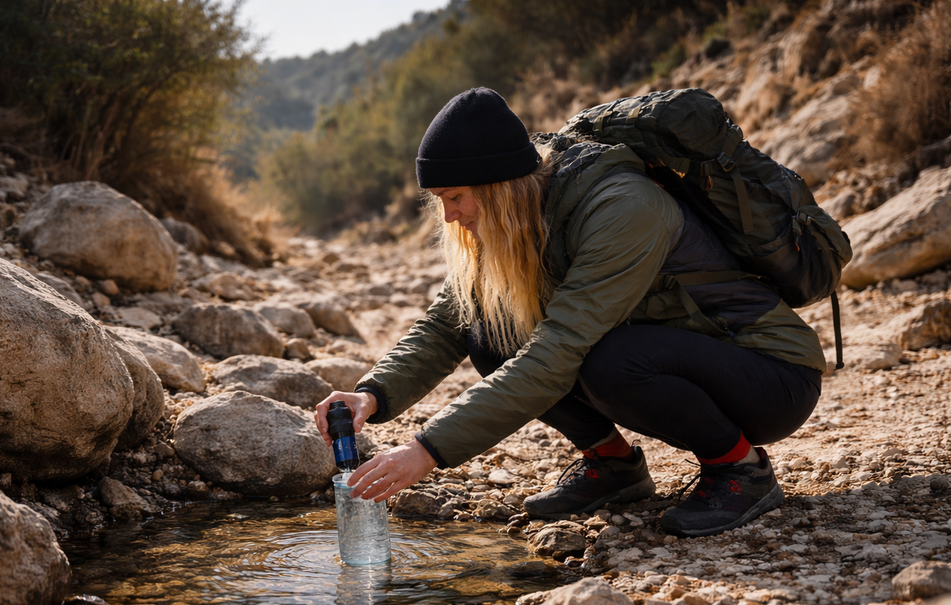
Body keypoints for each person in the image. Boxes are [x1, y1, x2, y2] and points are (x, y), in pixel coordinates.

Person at [314, 87, 824, 538]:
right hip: (671, 355)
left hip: (769, 374)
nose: (449, 215)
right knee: (490, 329)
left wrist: (426, 452)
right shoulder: (517, 213)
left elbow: (557, 352)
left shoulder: (622, 208)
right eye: (439, 200)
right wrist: (371, 395)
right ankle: (614, 467)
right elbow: (448, 321)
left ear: (496, 186)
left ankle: (741, 470)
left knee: (610, 359)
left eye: (456, 197)